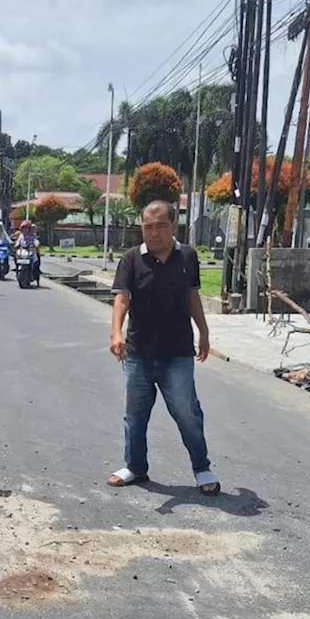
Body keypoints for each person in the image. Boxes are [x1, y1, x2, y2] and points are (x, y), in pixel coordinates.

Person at [107, 200, 219, 496]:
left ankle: (202, 468)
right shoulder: (131, 259)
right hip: (138, 353)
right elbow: (121, 298)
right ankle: (135, 467)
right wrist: (115, 333)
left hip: (177, 353)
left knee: (187, 412)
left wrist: (204, 332)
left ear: (174, 227)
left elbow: (193, 295)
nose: (153, 233)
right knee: (135, 415)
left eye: (160, 226)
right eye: (147, 227)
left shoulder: (188, 256)